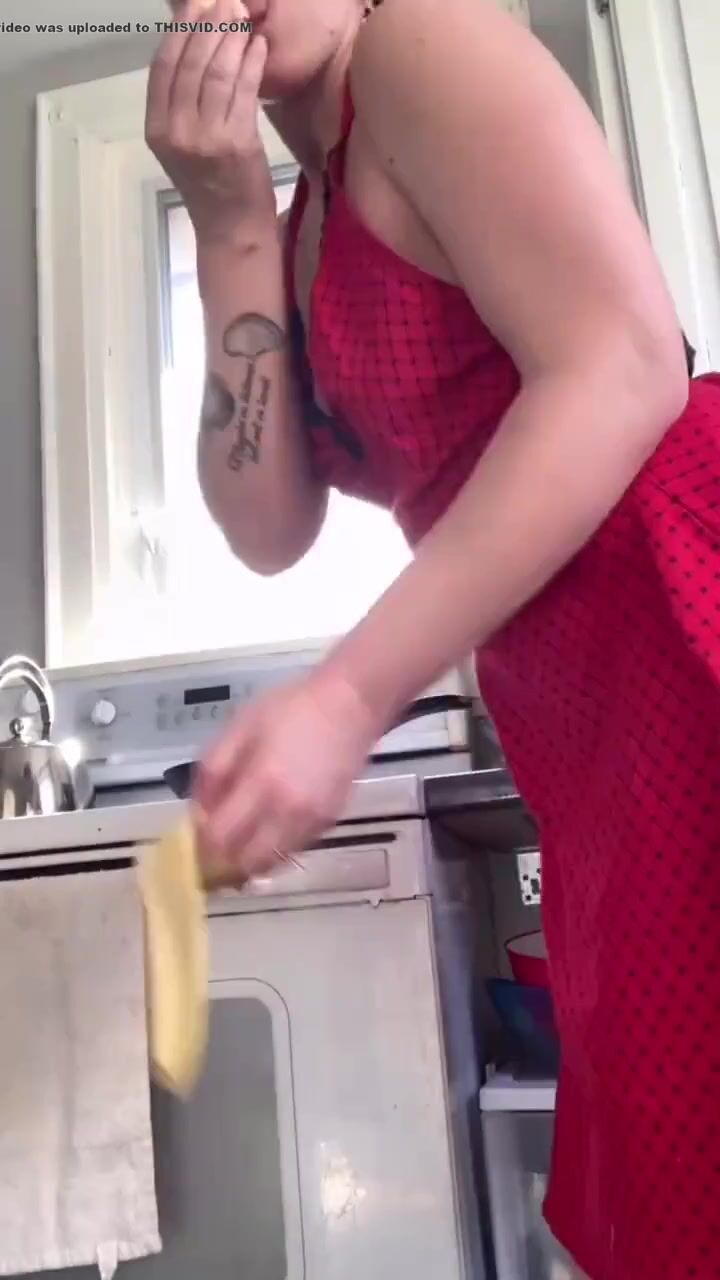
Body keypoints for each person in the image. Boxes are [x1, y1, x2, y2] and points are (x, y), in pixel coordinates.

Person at [146, 0, 720, 1275]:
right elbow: (266, 525)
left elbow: (625, 363)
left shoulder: (421, 42)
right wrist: (227, 221)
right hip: (587, 719)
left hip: (685, 616)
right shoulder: (301, 214)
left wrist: (348, 696)